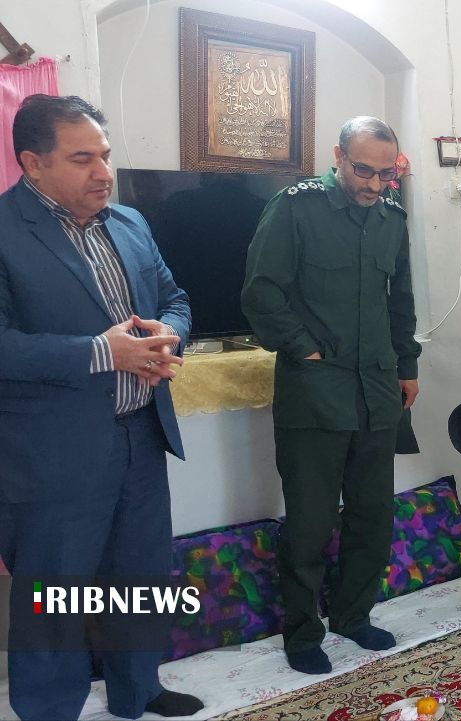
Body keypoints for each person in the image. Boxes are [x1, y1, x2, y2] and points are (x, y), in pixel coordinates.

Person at [0, 94, 202, 719]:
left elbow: (175, 298)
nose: (103, 173)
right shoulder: (5, 231)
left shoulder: (130, 223)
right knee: (54, 594)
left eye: (106, 155)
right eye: (82, 158)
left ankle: (137, 689)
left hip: (140, 433)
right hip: (52, 451)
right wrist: (99, 352)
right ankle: (48, 710)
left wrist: (169, 332)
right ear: (33, 163)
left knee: (141, 577)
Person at [242, 116, 421, 675]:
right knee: (310, 524)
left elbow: (401, 300)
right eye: (363, 170)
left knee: (372, 516)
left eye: (385, 175)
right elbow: (261, 293)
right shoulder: (295, 208)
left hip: (377, 390)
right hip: (315, 392)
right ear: (338, 157)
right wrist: (305, 349)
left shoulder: (391, 217)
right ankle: (302, 634)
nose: (374, 184)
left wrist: (407, 365)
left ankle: (353, 615)